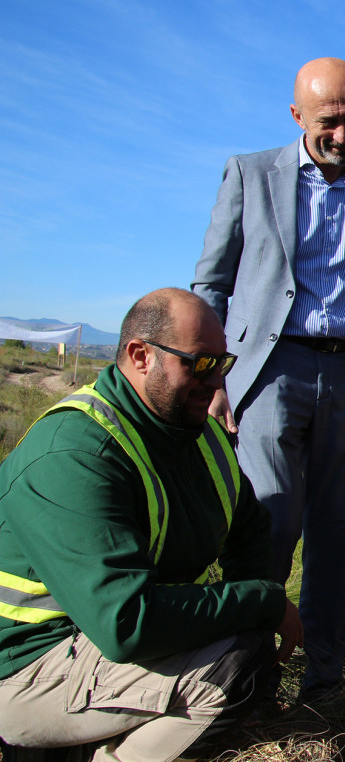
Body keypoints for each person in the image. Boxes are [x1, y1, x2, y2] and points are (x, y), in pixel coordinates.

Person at [0, 289, 302, 761]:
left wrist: (257, 614)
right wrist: (261, 603)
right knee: (231, 668)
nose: (216, 380)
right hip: (26, 667)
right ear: (141, 357)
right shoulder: (75, 453)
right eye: (201, 365)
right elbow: (127, 622)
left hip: (100, 648)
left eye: (223, 363)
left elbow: (249, 530)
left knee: (249, 653)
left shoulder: (196, 434)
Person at [192, 57, 345, 700]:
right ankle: (245, 677)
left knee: (335, 534)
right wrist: (212, 374)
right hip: (270, 373)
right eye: (328, 123)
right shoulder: (250, 174)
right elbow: (212, 283)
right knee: (271, 523)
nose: (341, 136)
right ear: (296, 116)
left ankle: (325, 678)